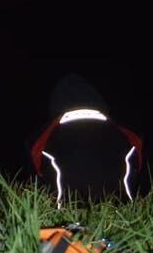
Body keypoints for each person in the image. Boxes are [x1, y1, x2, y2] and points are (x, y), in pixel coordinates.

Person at [29, 73, 144, 204]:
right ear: (98, 101)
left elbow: (34, 158)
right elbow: (138, 152)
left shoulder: (46, 133)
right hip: (121, 207)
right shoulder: (121, 130)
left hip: (66, 208)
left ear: (56, 106)